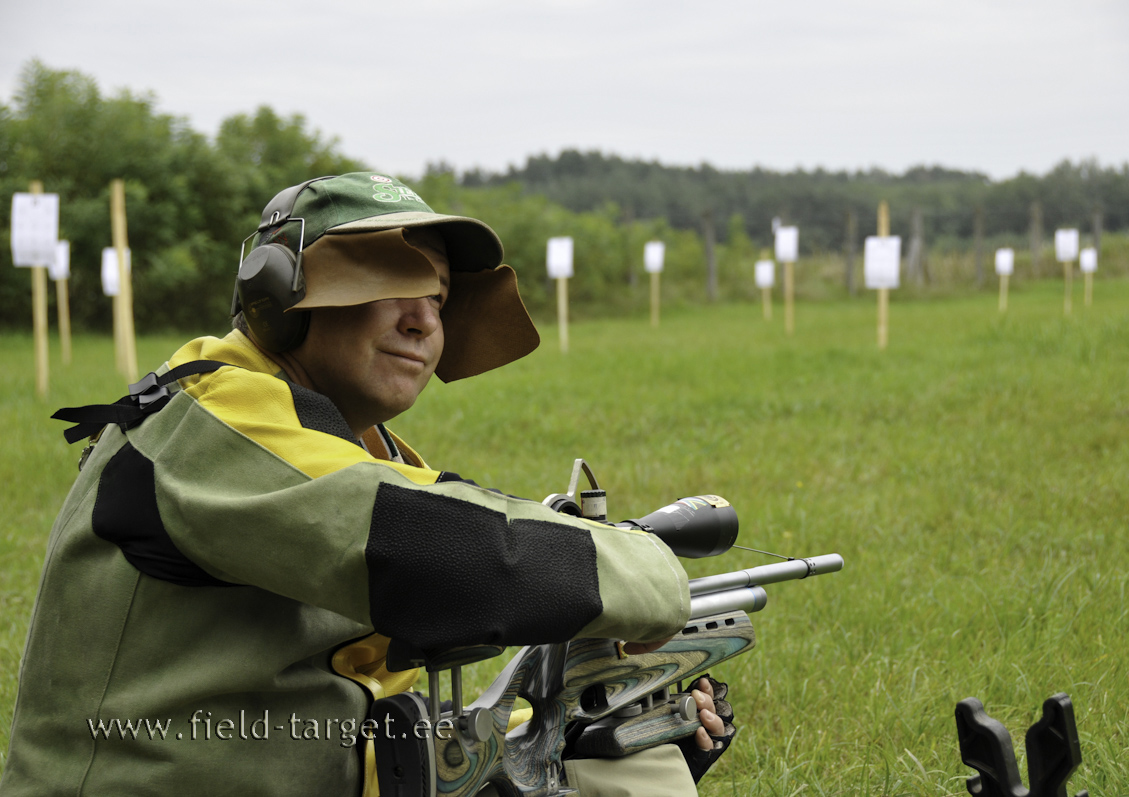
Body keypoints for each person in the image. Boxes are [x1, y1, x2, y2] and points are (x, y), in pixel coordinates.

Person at [1, 173, 733, 796]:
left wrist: (585, 724)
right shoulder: (215, 414)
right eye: (395, 286)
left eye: (440, 297)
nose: (424, 320)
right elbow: (447, 553)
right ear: (280, 295)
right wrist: (647, 575)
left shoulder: (341, 439)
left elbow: (384, 684)